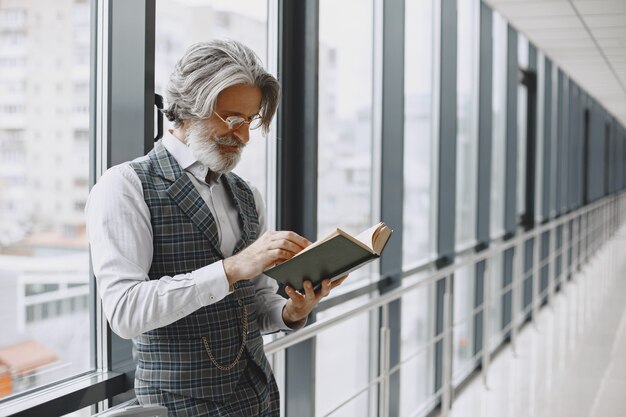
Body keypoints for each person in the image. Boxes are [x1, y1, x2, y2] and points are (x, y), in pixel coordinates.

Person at [86, 39, 344, 416]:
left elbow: (253, 303)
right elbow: (125, 312)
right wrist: (233, 268)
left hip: (260, 399)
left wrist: (291, 310)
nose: (243, 137)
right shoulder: (124, 186)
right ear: (190, 105)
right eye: (232, 119)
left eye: (250, 120)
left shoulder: (246, 194)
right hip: (177, 407)